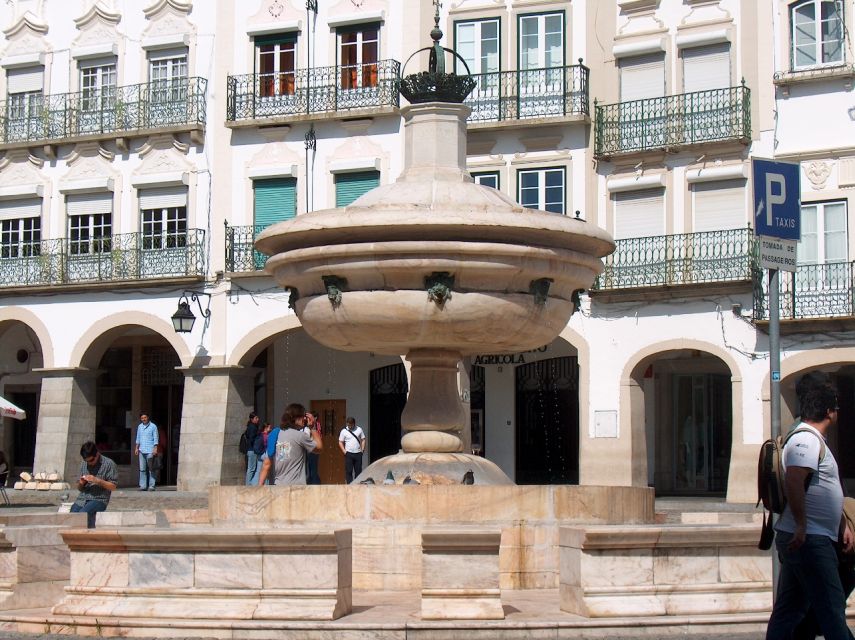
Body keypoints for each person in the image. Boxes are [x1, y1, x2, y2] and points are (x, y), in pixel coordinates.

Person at [765, 372, 855, 640]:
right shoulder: (806, 439)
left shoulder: (813, 439)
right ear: (830, 411)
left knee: (790, 610)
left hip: (810, 537)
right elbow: (794, 480)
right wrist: (803, 526)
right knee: (830, 607)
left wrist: (841, 523)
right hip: (809, 540)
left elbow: (821, 490)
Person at [258, 403, 323, 486]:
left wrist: (260, 486)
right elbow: (319, 449)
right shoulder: (300, 436)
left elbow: (267, 463)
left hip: (279, 486)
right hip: (297, 487)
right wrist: (313, 428)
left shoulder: (276, 434)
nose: (305, 419)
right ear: (295, 418)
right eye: (303, 416)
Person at [71, 441, 117, 528]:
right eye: (86, 461)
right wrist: (81, 483)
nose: (89, 463)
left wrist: (97, 481)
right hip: (82, 498)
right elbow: (80, 488)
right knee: (73, 516)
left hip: (99, 499)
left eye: (91, 460)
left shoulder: (109, 464)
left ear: (97, 454)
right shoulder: (83, 464)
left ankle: (88, 536)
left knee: (83, 514)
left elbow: (113, 486)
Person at [134, 412, 158, 491]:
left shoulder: (153, 426)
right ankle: (143, 486)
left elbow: (155, 438)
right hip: (141, 450)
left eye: (145, 417)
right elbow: (138, 438)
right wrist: (136, 448)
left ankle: (151, 485)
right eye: (142, 418)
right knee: (142, 469)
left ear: (148, 417)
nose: (143, 419)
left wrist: (155, 448)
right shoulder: (140, 426)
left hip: (150, 450)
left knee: (151, 468)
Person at [338, 416, 366, 484]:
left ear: (354, 423)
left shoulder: (359, 429)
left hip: (358, 453)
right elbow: (340, 442)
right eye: (348, 425)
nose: (350, 426)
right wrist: (344, 451)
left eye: (351, 425)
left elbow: (363, 439)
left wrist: (362, 450)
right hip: (349, 454)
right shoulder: (344, 431)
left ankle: (357, 485)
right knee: (348, 471)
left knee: (358, 471)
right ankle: (350, 485)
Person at [304, 411, 322, 485]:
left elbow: (315, 435)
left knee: (312, 467)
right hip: (311, 447)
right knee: (310, 467)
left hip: (313, 447)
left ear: (315, 418)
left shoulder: (315, 425)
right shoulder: (317, 425)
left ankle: (314, 483)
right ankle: (313, 482)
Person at [244, 412, 261, 486]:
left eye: (257, 418)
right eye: (256, 418)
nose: (258, 419)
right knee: (251, 468)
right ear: (252, 419)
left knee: (251, 468)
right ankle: (248, 485)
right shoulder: (252, 427)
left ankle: (250, 483)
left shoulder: (251, 426)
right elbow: (251, 439)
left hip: (251, 450)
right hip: (252, 450)